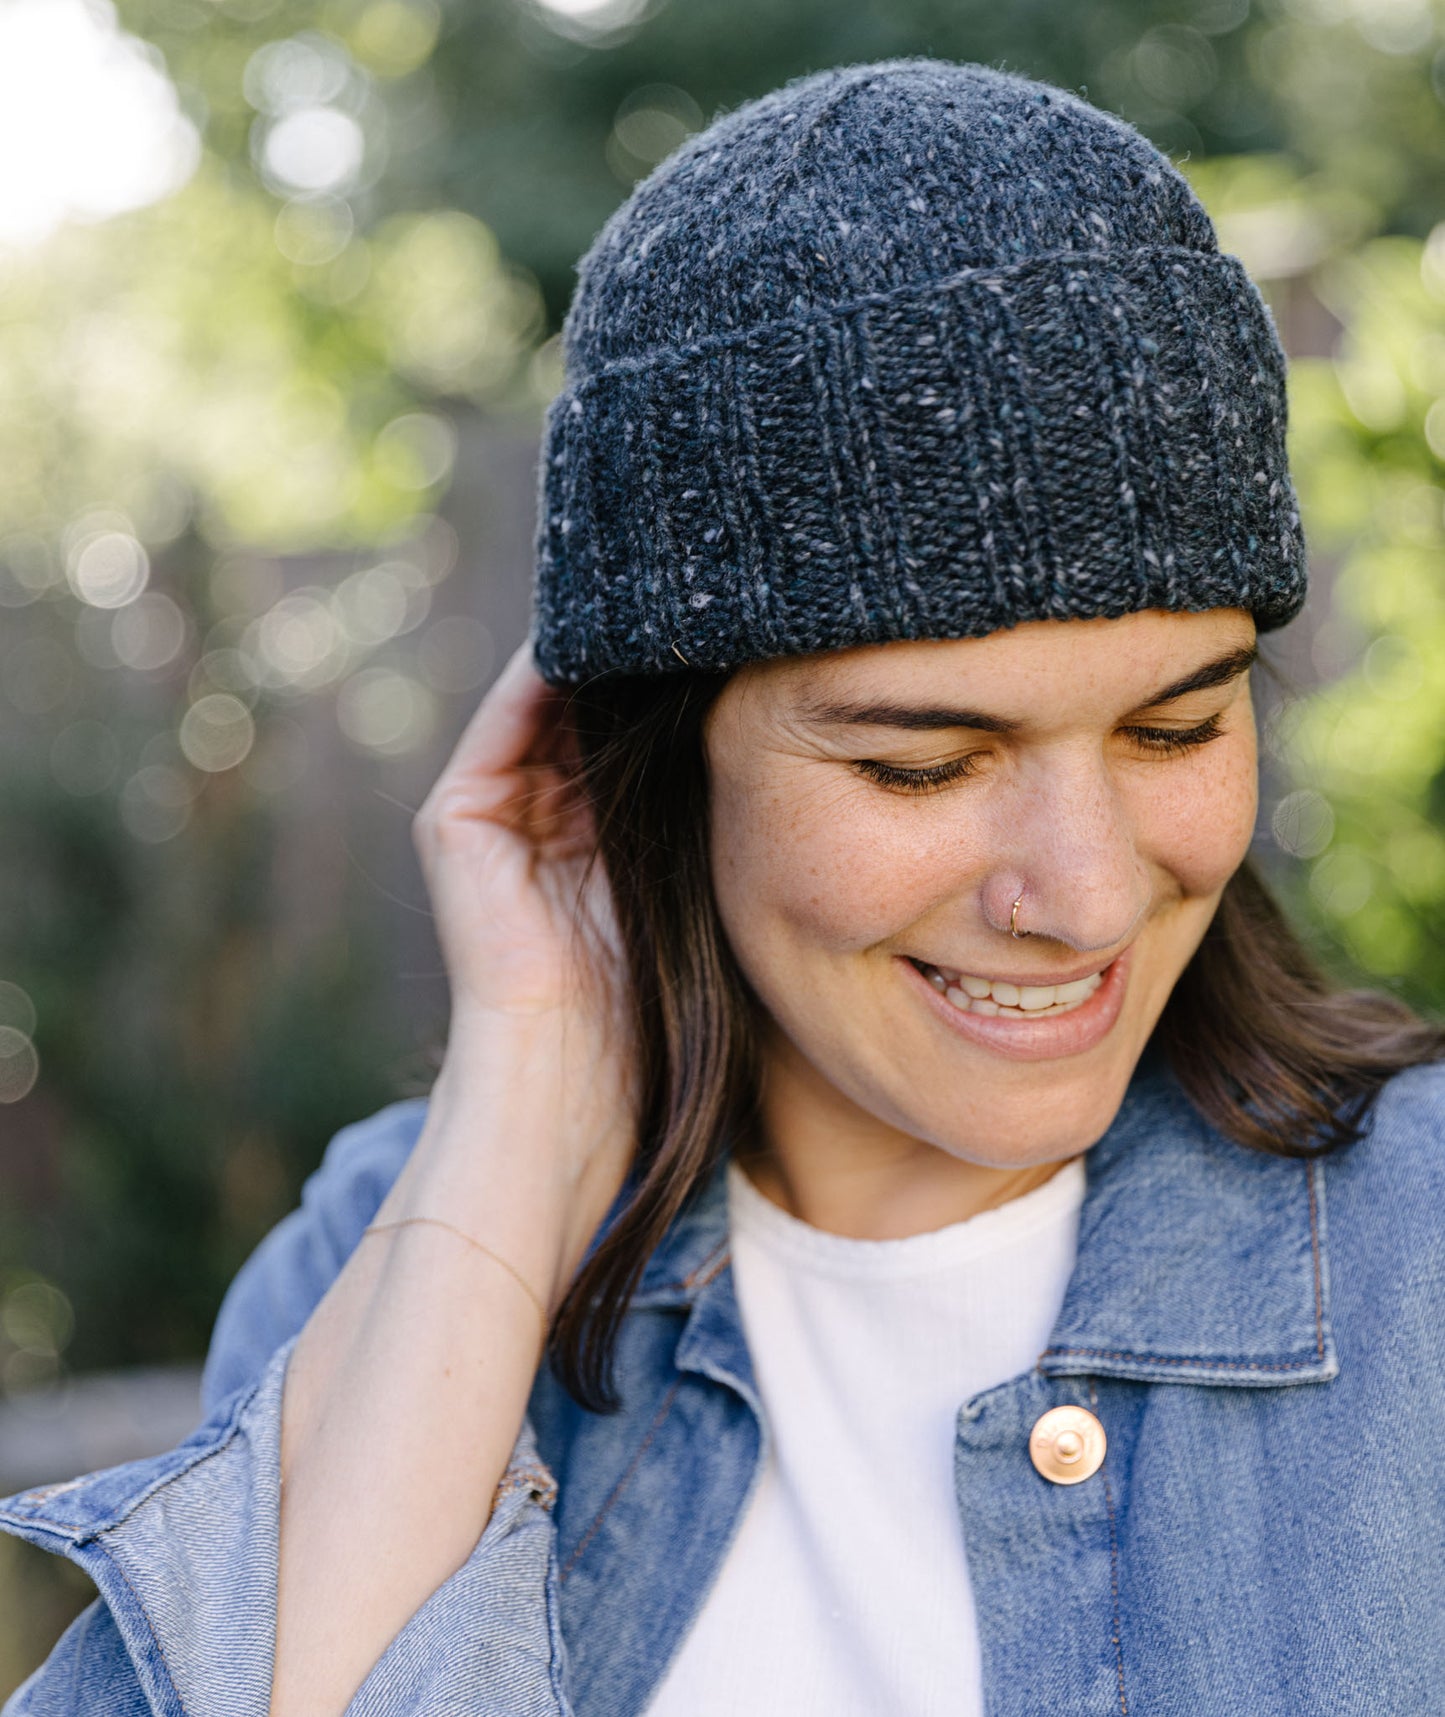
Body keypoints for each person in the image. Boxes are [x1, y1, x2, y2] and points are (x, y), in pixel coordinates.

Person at [5, 54, 1445, 1717]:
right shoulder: (387, 1258)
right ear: (660, 766)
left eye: (1174, 725)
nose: (1088, 894)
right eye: (926, 763)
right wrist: (530, 1071)